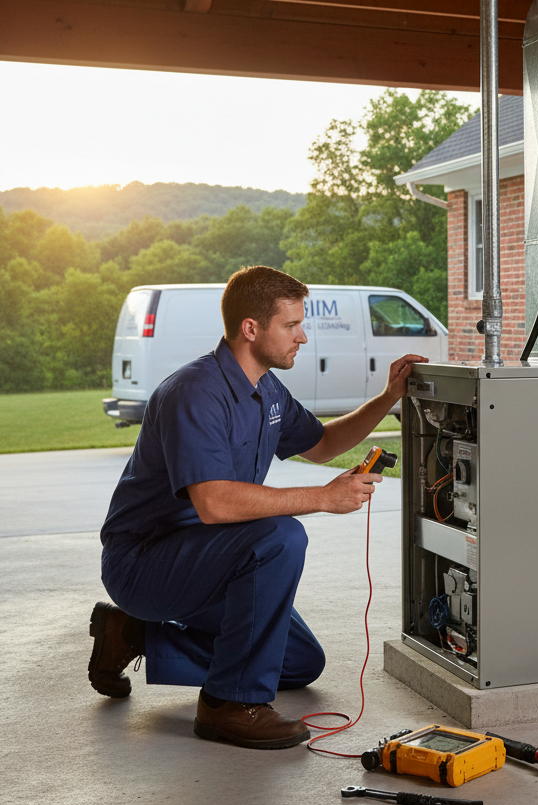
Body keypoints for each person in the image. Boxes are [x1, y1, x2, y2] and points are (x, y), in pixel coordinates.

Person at [89, 265, 426, 748]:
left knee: (300, 662)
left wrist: (388, 398)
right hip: (146, 564)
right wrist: (324, 499)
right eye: (291, 325)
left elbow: (325, 444)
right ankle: (228, 704)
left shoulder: (266, 388)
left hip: (213, 561)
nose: (303, 337)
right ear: (251, 329)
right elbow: (214, 503)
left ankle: (132, 635)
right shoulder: (194, 393)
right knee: (280, 535)